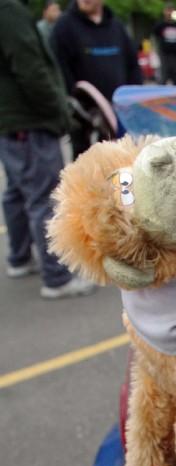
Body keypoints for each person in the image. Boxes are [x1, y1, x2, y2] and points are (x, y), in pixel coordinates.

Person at [0, 0, 94, 298]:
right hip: (30, 120)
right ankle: (56, 277)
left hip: (11, 121)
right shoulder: (9, 12)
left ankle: (19, 257)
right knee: (45, 198)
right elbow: (31, 69)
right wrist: (59, 113)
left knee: (17, 191)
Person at [50, 0, 141, 157]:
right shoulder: (64, 27)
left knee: (119, 164)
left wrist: (133, 99)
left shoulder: (116, 26)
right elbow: (58, 69)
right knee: (85, 166)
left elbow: (132, 65)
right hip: (82, 117)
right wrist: (76, 105)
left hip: (118, 113)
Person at [153, 4, 176, 85]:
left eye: (171, 11)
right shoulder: (161, 25)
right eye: (168, 10)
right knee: (163, 76)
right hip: (164, 55)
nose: (169, 13)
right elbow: (156, 34)